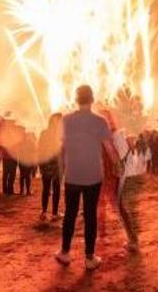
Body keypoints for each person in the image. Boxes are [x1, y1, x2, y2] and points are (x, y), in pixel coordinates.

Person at [55, 85, 117, 270]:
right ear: (92, 99)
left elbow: (61, 148)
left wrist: (61, 171)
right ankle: (90, 258)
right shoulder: (100, 121)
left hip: (72, 174)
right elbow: (109, 148)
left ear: (76, 99)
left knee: (70, 215)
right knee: (90, 215)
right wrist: (119, 165)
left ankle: (65, 253)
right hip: (93, 176)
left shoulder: (66, 120)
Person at [117, 121, 150, 252]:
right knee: (126, 211)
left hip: (128, 184)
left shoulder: (129, 155)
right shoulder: (130, 153)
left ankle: (133, 240)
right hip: (128, 184)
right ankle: (132, 239)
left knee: (128, 211)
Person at [38, 114, 64, 220]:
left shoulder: (44, 133)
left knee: (46, 188)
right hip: (56, 166)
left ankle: (44, 212)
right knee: (56, 189)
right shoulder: (59, 135)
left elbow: (40, 149)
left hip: (45, 164)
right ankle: (54, 213)